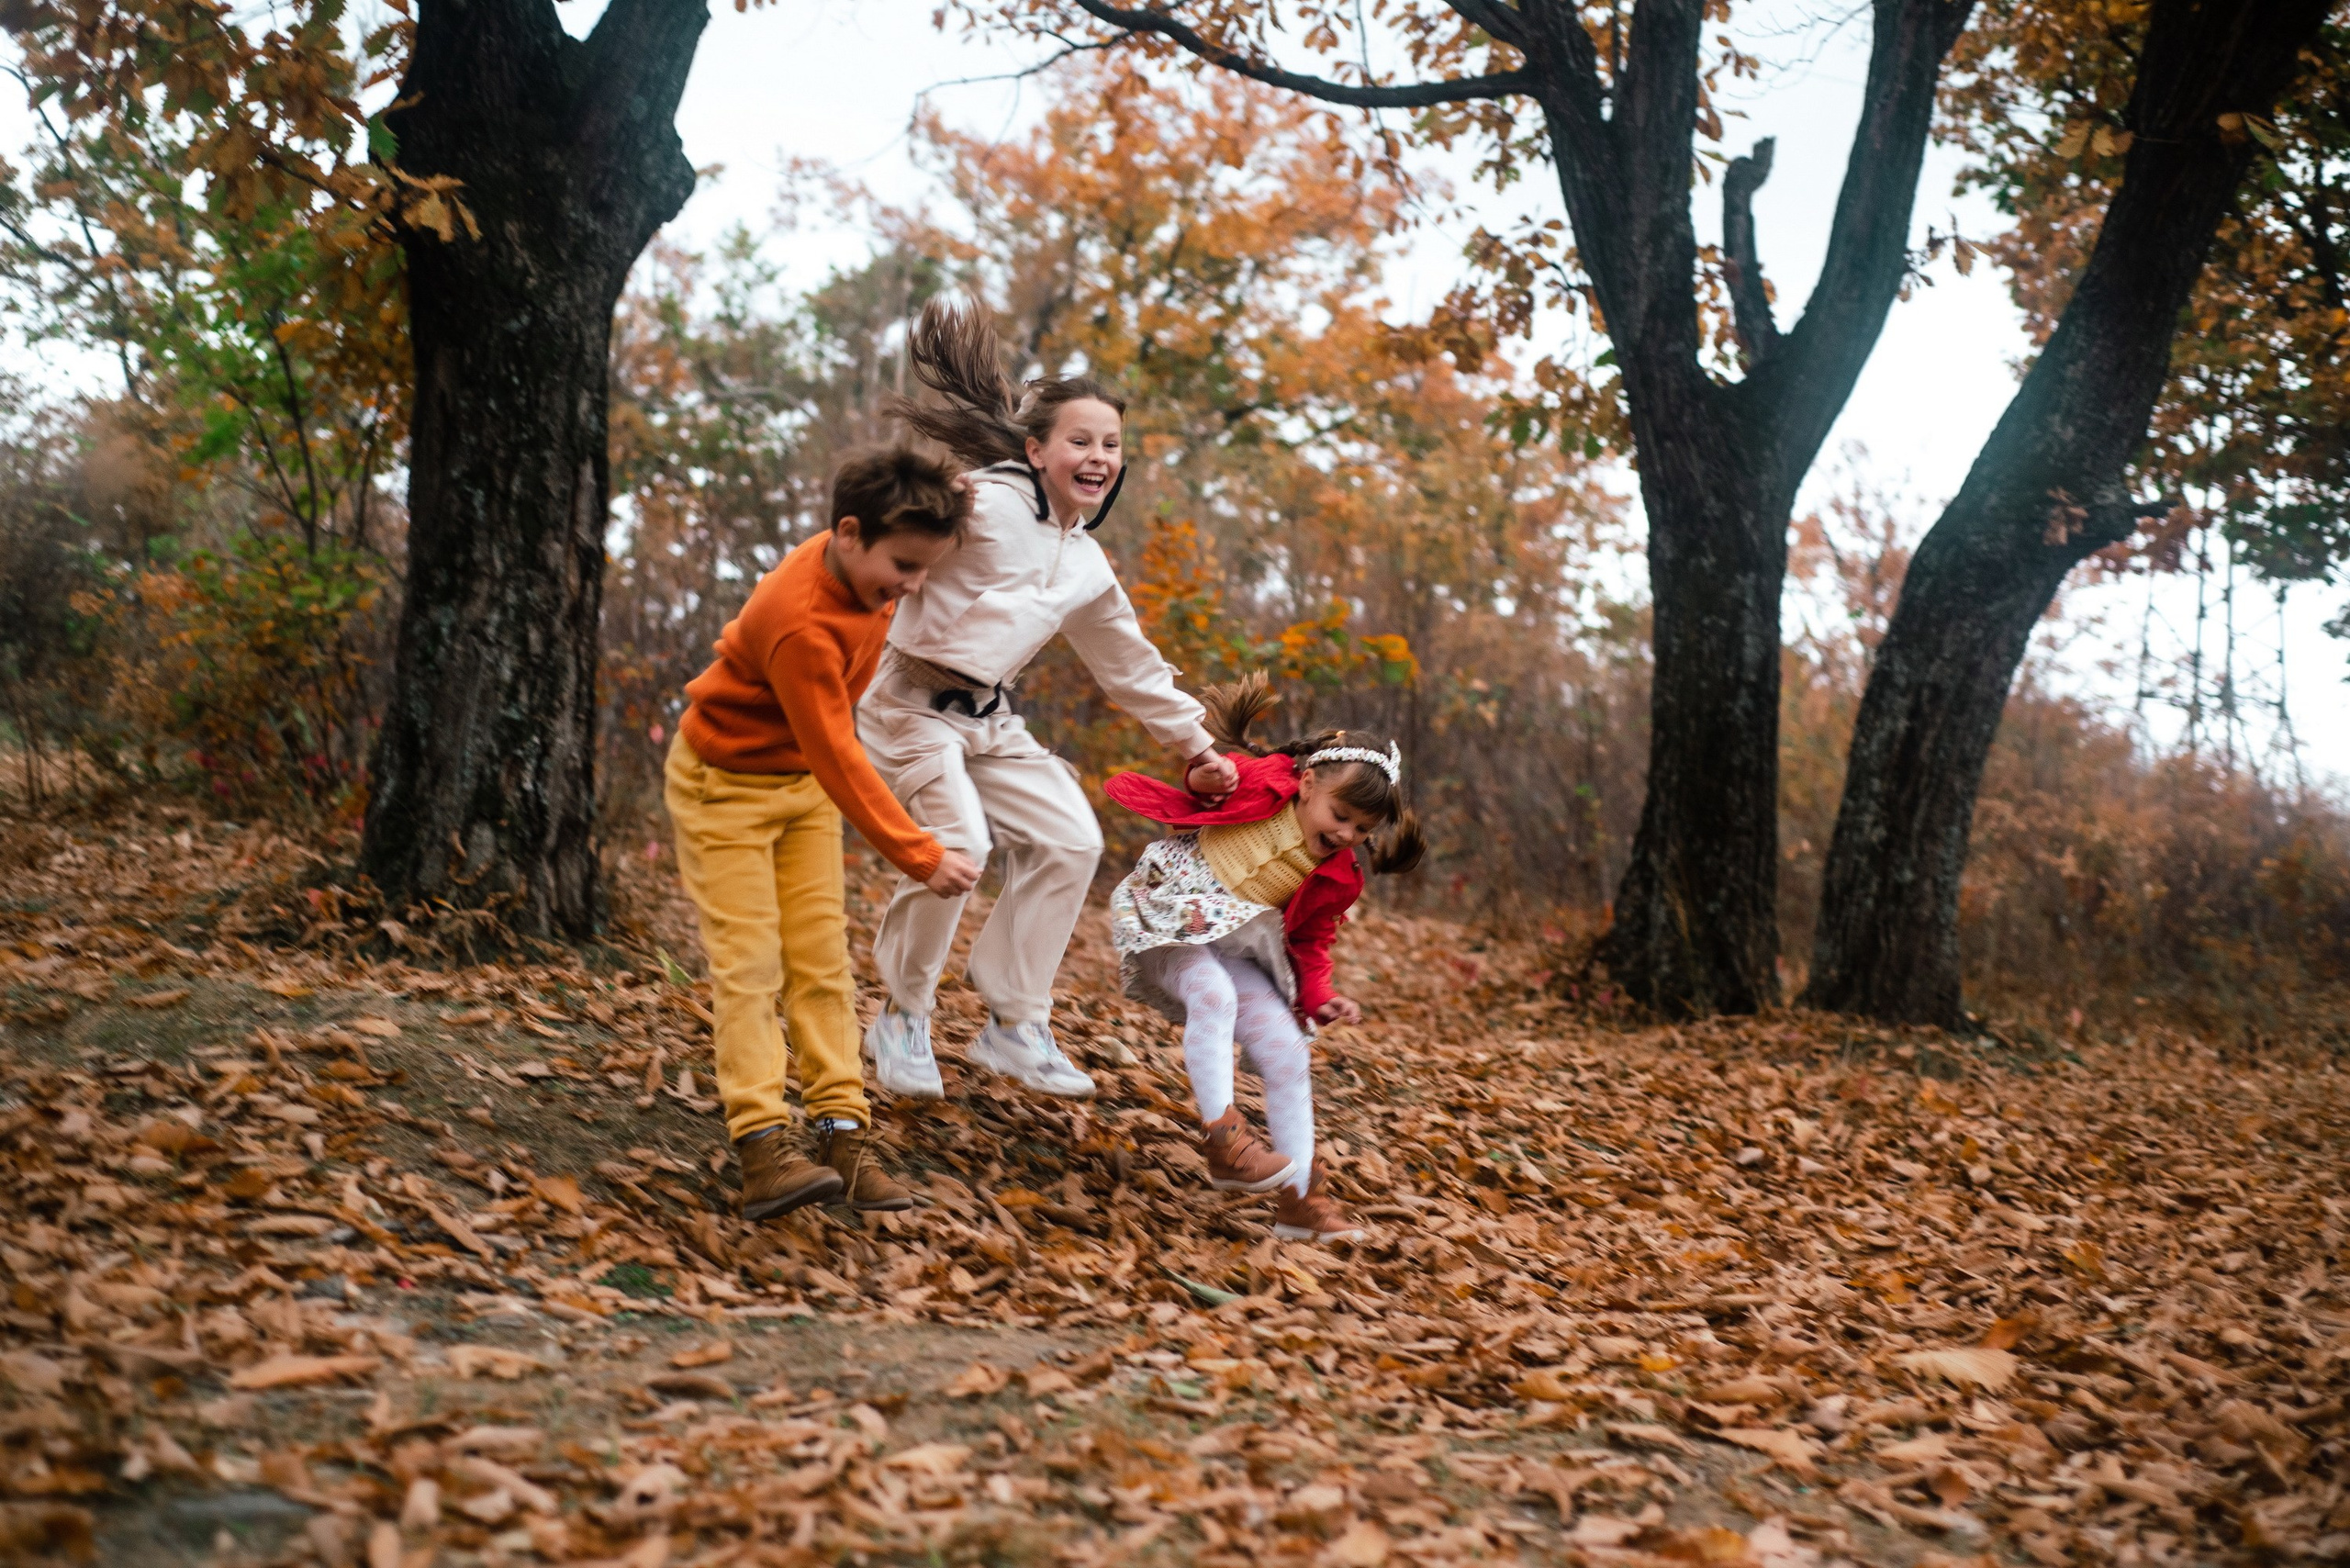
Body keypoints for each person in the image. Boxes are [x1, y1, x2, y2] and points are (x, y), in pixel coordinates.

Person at [857, 297, 1240, 1101]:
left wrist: (1198, 749)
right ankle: (902, 1015)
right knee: (956, 846)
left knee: (1071, 839)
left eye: (1110, 444)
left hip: (991, 721)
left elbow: (1130, 664)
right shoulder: (985, 501)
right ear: (1037, 450)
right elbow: (890, 538)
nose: (1098, 456)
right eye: (1079, 441)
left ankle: (1012, 1024)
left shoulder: (1086, 563)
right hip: (906, 709)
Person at [666, 446, 983, 1221]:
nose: (910, 587)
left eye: (923, 571)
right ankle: (762, 1144)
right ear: (848, 533)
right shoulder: (802, 622)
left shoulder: (862, 571)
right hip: (725, 788)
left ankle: (844, 1133)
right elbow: (837, 750)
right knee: (752, 967)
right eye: (903, 566)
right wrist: (919, 850)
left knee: (820, 963)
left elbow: (827, 751)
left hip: (797, 788)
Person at [1102, 674, 1425, 1241]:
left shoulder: (1340, 875)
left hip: (1238, 944)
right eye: (1341, 814)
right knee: (1212, 995)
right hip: (1169, 914)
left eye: (1363, 829)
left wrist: (1321, 996)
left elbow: (1312, 940)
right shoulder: (1266, 781)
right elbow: (1207, 785)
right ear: (1307, 785)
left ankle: (1299, 1201)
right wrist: (1202, 771)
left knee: (1287, 1053)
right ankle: (1223, 1139)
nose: (1347, 833)